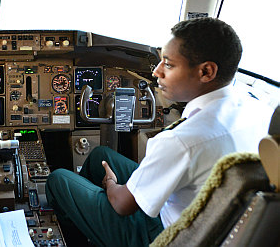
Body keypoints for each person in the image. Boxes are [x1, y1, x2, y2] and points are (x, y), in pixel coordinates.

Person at [45, 17, 272, 247]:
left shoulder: (182, 140)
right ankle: (93, 227)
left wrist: (111, 184)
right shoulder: (255, 108)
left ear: (206, 71)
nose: (156, 72)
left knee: (59, 179)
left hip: (164, 235)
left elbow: (122, 205)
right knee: (100, 156)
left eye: (169, 64)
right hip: (201, 217)